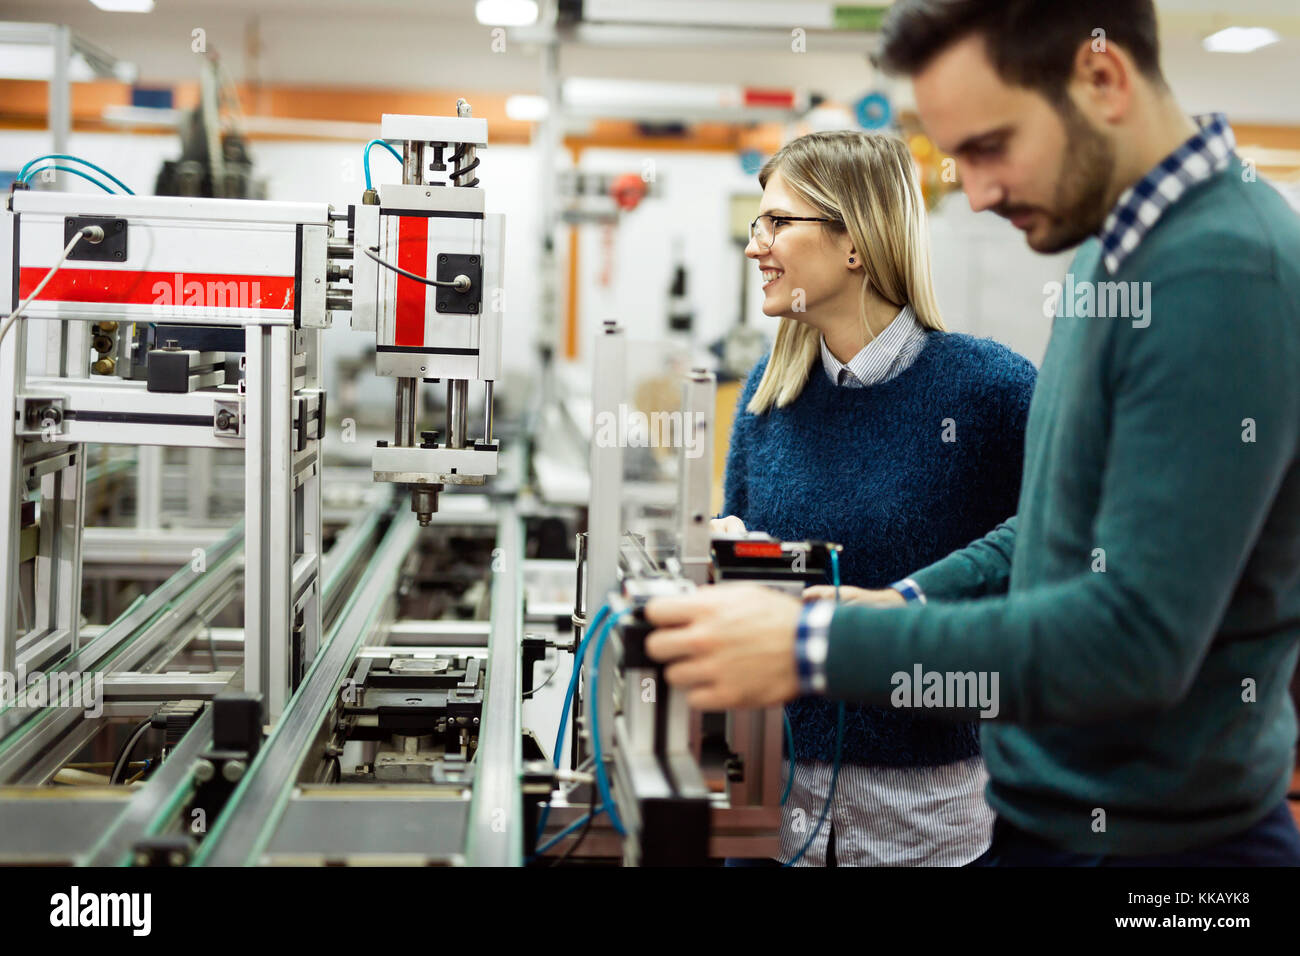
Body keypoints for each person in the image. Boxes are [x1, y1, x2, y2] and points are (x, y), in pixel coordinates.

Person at [644, 0, 1300, 865]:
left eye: (991, 147)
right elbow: (1050, 526)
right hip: (1051, 819)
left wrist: (815, 643)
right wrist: (901, 602)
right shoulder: (1115, 254)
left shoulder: (1218, 271)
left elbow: (1132, 641)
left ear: (1101, 78)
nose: (979, 193)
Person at [715, 129, 1036, 865]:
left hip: (925, 817)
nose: (754, 244)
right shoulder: (770, 396)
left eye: (777, 222)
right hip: (776, 798)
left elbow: (1063, 544)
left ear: (854, 242)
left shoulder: (989, 390)